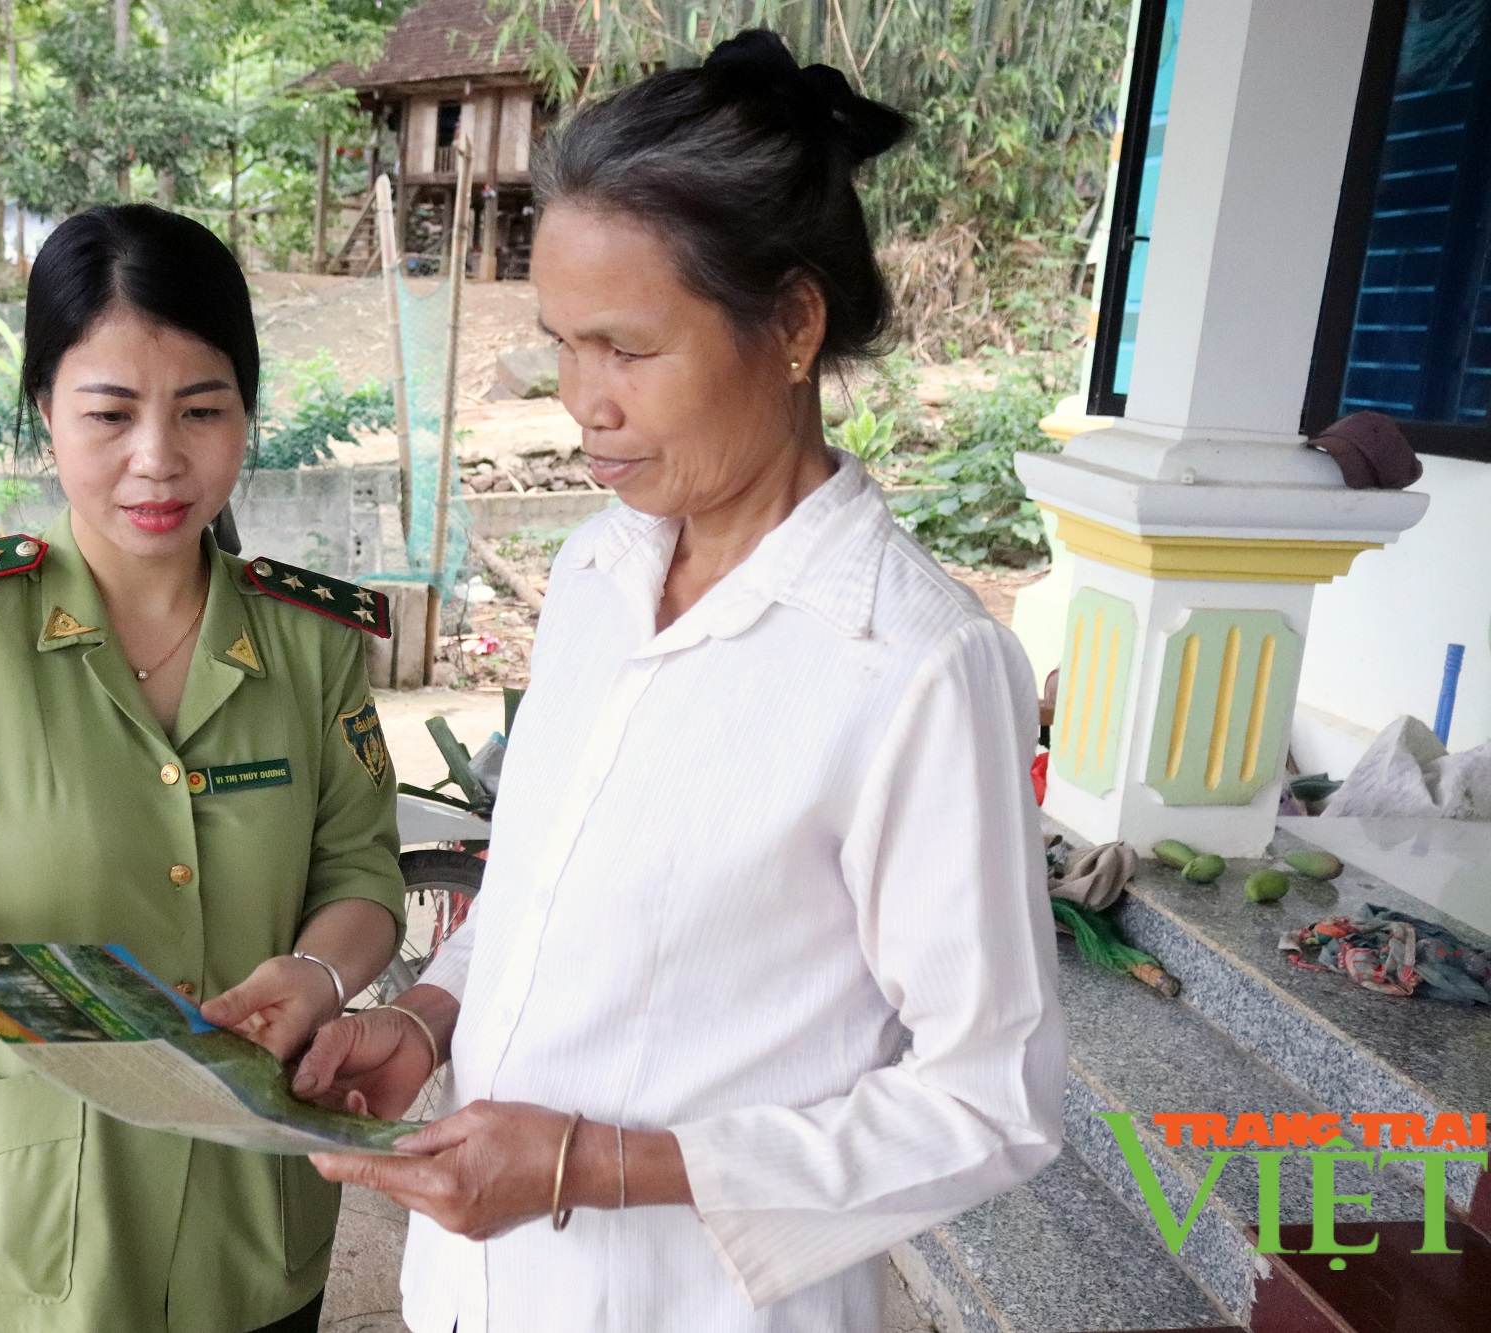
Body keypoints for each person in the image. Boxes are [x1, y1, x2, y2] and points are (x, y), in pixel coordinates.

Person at [293, 31, 1065, 1333]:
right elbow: (539, 898)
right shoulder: (602, 572)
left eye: (628, 349)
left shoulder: (915, 668)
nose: (581, 400)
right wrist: (426, 1018)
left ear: (794, 326)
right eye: (561, 344)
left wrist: (588, 1165)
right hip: (480, 1291)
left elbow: (991, 1099)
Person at [0, 204, 407, 1333]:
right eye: (108, 413)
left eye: (201, 410)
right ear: (45, 415)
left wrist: (311, 977)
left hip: (247, 1240)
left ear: (245, 414)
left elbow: (362, 876)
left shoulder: (309, 645)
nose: (156, 458)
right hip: (16, 1255)